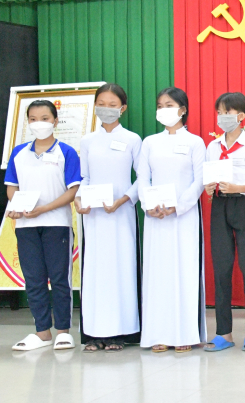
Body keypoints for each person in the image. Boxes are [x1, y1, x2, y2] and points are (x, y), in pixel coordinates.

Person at [6, 100, 81, 351]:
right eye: (34, 119)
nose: (39, 123)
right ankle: (42, 332)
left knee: (59, 278)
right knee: (34, 279)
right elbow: (12, 187)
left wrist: (44, 209)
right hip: (25, 226)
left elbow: (73, 190)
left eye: (45, 118)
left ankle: (63, 331)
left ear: (55, 121)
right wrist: (17, 205)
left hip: (56, 224)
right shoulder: (19, 153)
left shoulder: (66, 152)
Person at [138, 87, 207, 353]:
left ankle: (185, 333)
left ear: (182, 109)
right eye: (159, 105)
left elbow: (199, 181)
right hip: (155, 217)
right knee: (158, 274)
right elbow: (143, 178)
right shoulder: (149, 142)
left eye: (169, 105)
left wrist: (177, 206)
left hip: (183, 217)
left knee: (184, 271)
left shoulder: (195, 142)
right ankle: (158, 334)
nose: (163, 110)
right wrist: (149, 204)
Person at [76, 84, 142, 352]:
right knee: (95, 272)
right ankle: (94, 333)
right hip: (93, 216)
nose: (106, 108)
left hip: (121, 214)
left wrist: (124, 200)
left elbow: (142, 178)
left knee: (121, 269)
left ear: (122, 108)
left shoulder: (133, 139)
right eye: (101, 103)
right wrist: (79, 199)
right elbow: (85, 178)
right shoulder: (87, 141)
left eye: (112, 104)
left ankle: (119, 333)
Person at [202, 92, 245, 352]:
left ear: (240, 116)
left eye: (226, 113)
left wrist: (237, 187)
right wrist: (209, 188)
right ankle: (224, 333)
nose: (221, 117)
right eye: (219, 113)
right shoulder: (213, 147)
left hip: (243, 205)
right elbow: (209, 178)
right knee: (221, 269)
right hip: (219, 206)